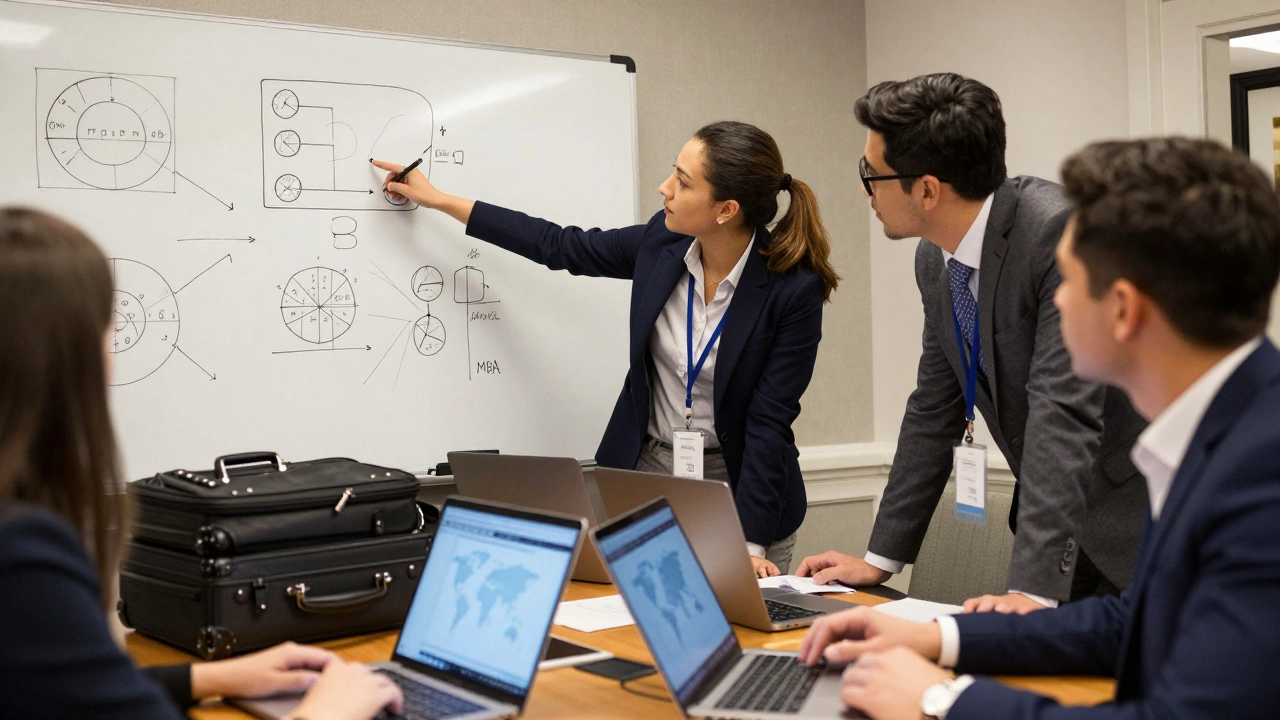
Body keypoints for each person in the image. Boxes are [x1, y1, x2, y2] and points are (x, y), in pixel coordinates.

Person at [798, 136, 1280, 719]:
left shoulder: (1260, 477)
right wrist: (939, 636)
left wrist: (939, 699)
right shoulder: (1225, 431)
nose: (1055, 301)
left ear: (1124, 311)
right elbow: (1134, 623)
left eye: (1069, 281)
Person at [374, 121, 840, 576]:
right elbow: (558, 245)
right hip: (647, 478)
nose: (664, 189)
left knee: (744, 644)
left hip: (744, 491)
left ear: (726, 209)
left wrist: (751, 544)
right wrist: (438, 200)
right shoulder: (661, 243)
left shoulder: (791, 290)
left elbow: (769, 421)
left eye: (682, 181)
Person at [0, 208, 404, 720]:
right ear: (66, 355)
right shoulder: (20, 554)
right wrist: (325, 713)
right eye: (108, 329)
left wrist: (207, 677)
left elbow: (50, 687)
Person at [796, 73, 1147, 609]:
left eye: (872, 174)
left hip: (1138, 519)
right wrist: (880, 558)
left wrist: (1031, 589)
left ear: (928, 189)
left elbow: (1062, 411)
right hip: (1058, 526)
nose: (866, 189)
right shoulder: (935, 259)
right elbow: (934, 403)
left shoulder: (1057, 235)